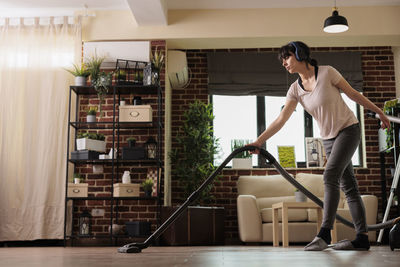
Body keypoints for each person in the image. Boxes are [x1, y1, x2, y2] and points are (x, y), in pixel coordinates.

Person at [248, 41, 390, 251]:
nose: (284, 63)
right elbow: (281, 119)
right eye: (283, 60)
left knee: (329, 176)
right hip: (329, 140)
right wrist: (259, 141)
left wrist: (379, 111)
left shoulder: (327, 73)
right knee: (350, 188)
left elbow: (353, 94)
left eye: (287, 57)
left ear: (300, 54)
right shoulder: (295, 89)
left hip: (348, 130)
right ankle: (362, 238)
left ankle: (324, 233)